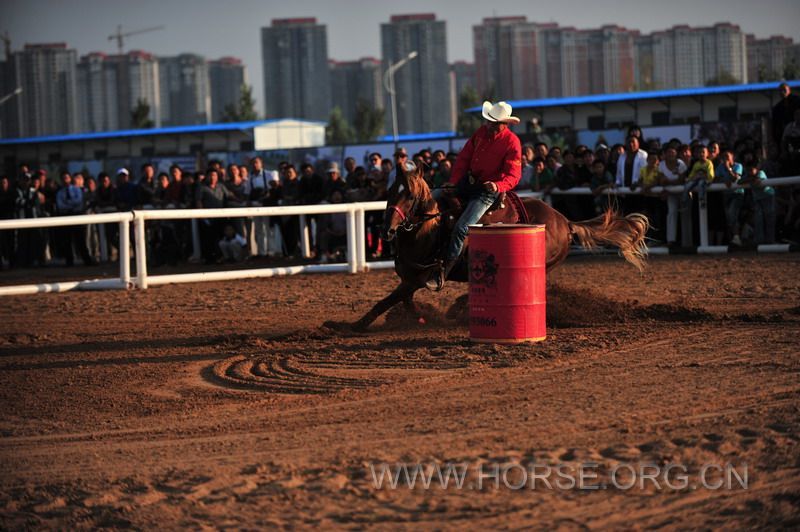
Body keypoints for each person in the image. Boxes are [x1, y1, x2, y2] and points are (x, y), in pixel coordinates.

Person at [429, 100, 522, 290]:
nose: (488, 125)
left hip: (487, 192)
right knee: (432, 196)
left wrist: (497, 186)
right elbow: (464, 158)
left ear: (504, 124)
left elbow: (514, 174)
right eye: (488, 121)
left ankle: (443, 273)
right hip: (468, 183)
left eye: (492, 122)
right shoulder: (480, 133)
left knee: (462, 228)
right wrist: (454, 182)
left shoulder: (512, 142)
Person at [742, 162, 775, 244]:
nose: (749, 171)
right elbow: (740, 181)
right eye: (748, 170)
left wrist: (749, 180)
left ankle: (770, 240)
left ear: (756, 168)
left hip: (768, 197)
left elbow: (758, 181)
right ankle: (759, 241)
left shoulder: (761, 173)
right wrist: (750, 179)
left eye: (751, 169)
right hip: (757, 200)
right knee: (758, 219)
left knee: (769, 219)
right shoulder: (748, 175)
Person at [716, 150, 745, 246]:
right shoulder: (720, 167)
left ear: (733, 157)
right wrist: (725, 180)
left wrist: (728, 168)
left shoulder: (738, 166)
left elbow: (735, 178)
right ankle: (735, 239)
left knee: (732, 214)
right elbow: (716, 179)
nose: (725, 158)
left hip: (737, 194)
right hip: (726, 195)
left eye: (727, 156)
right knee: (730, 217)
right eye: (723, 156)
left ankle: (736, 237)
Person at [682, 144, 715, 210]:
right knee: (687, 186)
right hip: (696, 180)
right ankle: (684, 202)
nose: (701, 154)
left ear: (707, 154)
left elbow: (711, 174)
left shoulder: (709, 163)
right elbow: (692, 174)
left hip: (704, 181)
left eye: (703, 152)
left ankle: (702, 201)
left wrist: (708, 179)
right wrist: (689, 179)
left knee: (701, 184)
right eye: (699, 152)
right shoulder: (696, 164)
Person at [772, 82, 800, 149]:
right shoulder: (777, 108)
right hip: (784, 135)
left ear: (789, 90)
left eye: (784, 90)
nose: (782, 92)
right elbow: (775, 124)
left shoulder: (797, 101)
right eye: (780, 90)